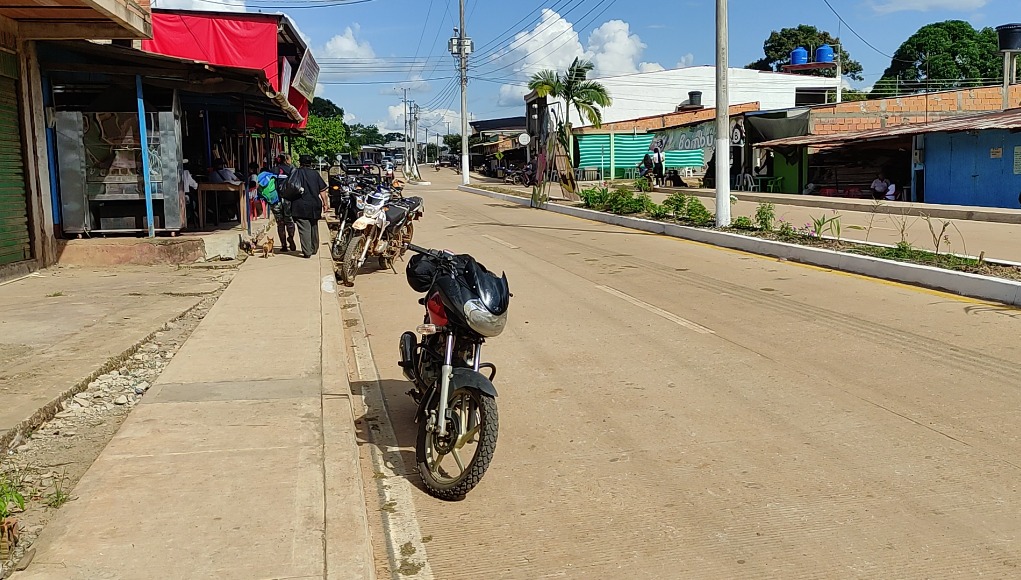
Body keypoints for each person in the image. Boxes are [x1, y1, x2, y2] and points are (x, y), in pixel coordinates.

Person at [289, 154, 329, 258]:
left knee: (304, 228)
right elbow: (322, 191)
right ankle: (314, 248)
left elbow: (290, 187)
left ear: (300, 163)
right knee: (314, 226)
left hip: (299, 204)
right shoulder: (315, 174)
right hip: (314, 204)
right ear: (310, 163)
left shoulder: (296, 173)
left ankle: (307, 251)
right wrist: (325, 204)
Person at [272, 154, 297, 252]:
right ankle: (291, 237)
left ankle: (283, 245)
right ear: (286, 159)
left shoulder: (274, 169)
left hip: (275, 200)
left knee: (280, 223)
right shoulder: (291, 169)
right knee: (290, 222)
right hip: (288, 199)